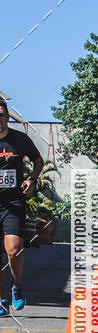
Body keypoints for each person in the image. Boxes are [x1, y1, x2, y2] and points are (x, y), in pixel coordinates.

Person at [0, 99, 43, 314]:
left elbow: (38, 160)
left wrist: (32, 180)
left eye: (1, 115)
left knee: (14, 249)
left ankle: (17, 286)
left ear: (8, 116)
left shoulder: (20, 140)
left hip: (13, 201)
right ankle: (1, 299)